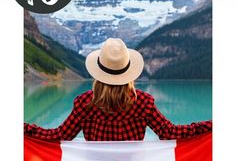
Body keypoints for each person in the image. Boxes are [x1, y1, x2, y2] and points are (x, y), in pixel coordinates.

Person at [24, 38, 212, 141]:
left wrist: (23, 129)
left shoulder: (84, 103)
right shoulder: (144, 102)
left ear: (98, 73)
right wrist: (211, 126)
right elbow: (170, 133)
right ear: (128, 73)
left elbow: (58, 135)